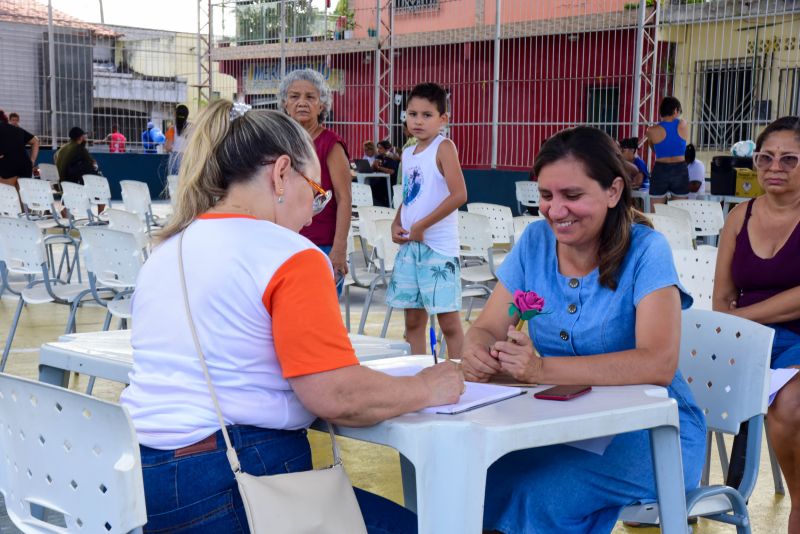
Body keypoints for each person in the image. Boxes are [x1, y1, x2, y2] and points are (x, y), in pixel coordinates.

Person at [118, 99, 464, 533]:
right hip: (233, 473)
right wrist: (425, 387)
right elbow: (335, 395)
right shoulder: (289, 253)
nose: (310, 215)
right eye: (316, 195)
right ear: (282, 173)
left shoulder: (169, 248)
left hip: (139, 481)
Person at [461, 126, 706, 532]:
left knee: (535, 492)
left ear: (612, 192)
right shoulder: (535, 242)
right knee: (480, 474)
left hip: (654, 433)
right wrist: (479, 349)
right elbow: (487, 325)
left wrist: (539, 372)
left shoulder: (646, 250)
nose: (555, 211)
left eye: (572, 196)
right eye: (546, 196)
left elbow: (658, 363)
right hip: (567, 422)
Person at [713, 116, 800, 532]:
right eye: (766, 157)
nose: (774, 167)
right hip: (749, 340)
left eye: (789, 159)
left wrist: (740, 318)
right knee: (670, 386)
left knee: (787, 406)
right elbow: (721, 295)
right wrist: (733, 328)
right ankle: (665, 493)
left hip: (795, 337)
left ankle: (799, 504)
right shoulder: (740, 215)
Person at [387, 82, 467, 358]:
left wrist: (423, 225)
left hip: (438, 249)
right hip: (411, 246)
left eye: (426, 115)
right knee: (412, 322)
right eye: (412, 114)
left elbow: (459, 195)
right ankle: (419, 375)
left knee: (448, 323)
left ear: (443, 119)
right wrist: (398, 221)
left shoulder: (444, 147)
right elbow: (410, 196)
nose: (417, 121)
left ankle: (462, 377)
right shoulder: (408, 153)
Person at [279, 69, 352, 286]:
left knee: (318, 316)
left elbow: (344, 199)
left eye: (310, 97)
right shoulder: (277, 142)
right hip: (284, 243)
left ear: (321, 105)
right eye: (294, 96)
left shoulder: (331, 144)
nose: (302, 102)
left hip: (322, 246)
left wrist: (339, 249)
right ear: (284, 103)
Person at [646, 96, 690, 209]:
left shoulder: (651, 130)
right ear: (675, 110)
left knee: (656, 211)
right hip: (680, 169)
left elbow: (653, 148)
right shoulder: (683, 125)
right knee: (680, 211)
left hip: (660, 169)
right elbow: (683, 121)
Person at [0, 109, 39, 188]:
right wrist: (32, 160)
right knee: (22, 197)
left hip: (7, 167)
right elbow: (35, 141)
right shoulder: (17, 130)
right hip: (25, 167)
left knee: (6, 197)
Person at [371, 140, 400, 207]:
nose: (378, 150)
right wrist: (373, 165)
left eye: (380, 148)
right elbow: (373, 169)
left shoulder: (392, 158)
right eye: (377, 148)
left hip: (388, 182)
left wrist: (379, 168)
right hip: (379, 181)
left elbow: (392, 171)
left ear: (386, 149)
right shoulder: (378, 157)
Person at [165, 104, 190, 173]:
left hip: (174, 158)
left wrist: (176, 148)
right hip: (187, 158)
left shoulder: (172, 129)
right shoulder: (192, 128)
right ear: (187, 115)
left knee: (173, 181)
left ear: (176, 114)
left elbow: (168, 147)